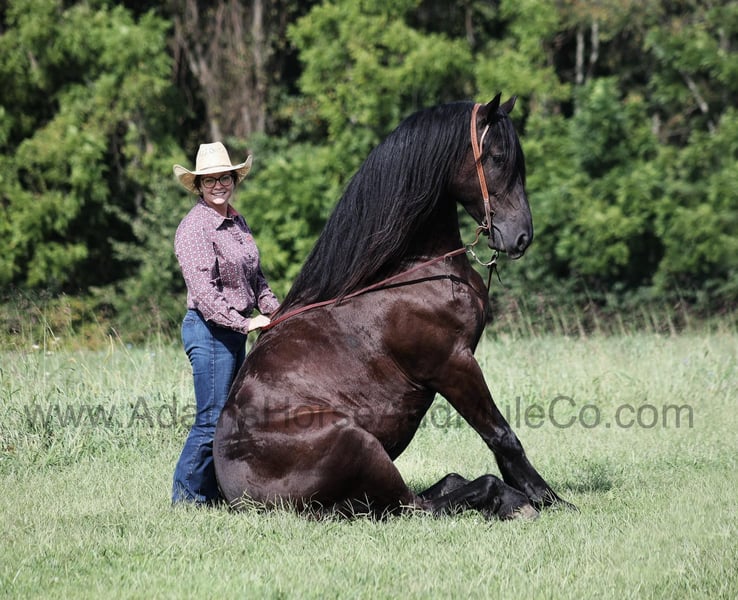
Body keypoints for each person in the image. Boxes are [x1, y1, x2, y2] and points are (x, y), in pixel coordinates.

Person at [171, 141, 279, 506]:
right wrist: (245, 324)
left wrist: (277, 311)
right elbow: (205, 293)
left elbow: (256, 278)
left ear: (233, 180)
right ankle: (186, 500)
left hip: (232, 331)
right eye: (210, 180)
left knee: (231, 419)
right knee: (211, 419)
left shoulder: (237, 222)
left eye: (225, 178)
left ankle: (217, 494)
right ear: (199, 186)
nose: (219, 185)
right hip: (209, 330)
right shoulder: (195, 228)